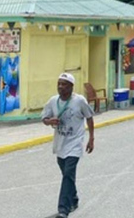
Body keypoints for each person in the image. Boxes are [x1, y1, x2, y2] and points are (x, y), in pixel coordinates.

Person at [42, 73, 94, 218]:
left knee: (68, 175)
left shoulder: (79, 101)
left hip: (75, 144)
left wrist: (91, 139)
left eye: (64, 84)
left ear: (71, 86)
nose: (60, 87)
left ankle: (63, 210)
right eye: (59, 83)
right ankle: (74, 198)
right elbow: (44, 118)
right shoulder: (53, 101)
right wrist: (49, 121)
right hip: (60, 144)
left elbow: (89, 118)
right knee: (67, 175)